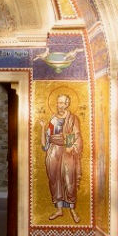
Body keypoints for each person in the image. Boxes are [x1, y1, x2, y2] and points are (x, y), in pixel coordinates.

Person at [39, 94, 83, 223]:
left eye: (62, 103)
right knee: (54, 179)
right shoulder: (53, 120)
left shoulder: (72, 118)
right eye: (58, 103)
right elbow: (47, 139)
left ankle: (72, 209)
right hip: (54, 151)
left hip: (67, 152)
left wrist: (69, 146)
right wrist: (43, 127)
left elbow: (76, 134)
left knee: (69, 180)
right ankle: (59, 209)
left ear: (67, 104)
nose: (59, 105)